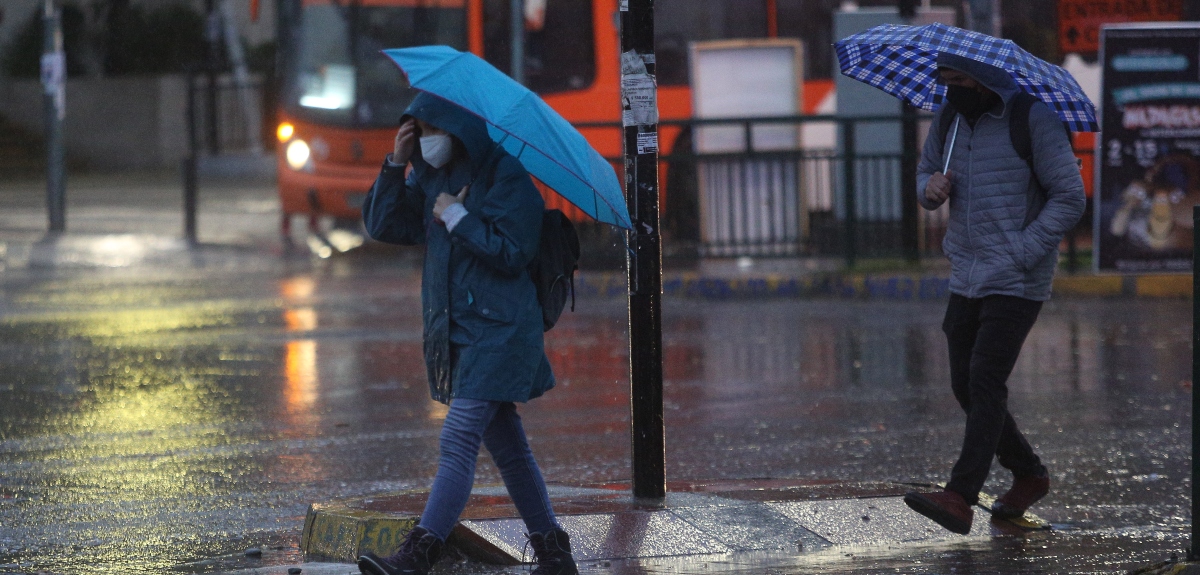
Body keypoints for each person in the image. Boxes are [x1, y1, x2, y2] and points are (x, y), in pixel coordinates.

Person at [356, 92, 578, 575]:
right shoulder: (434, 176)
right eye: (417, 132)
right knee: (509, 451)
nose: (426, 142)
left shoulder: (507, 177)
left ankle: (419, 554)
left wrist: (458, 218)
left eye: (431, 131)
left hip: (501, 333)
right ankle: (555, 554)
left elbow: (514, 251)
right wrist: (396, 164)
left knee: (457, 440)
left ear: (456, 129)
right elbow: (383, 224)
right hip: (461, 335)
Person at [903, 53, 1085, 535]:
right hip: (967, 270)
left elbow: (1070, 196)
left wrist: (1024, 250)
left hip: (1017, 276)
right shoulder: (950, 118)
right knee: (964, 383)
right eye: (944, 80)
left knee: (985, 378)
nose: (950, 88)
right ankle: (1028, 473)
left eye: (958, 79)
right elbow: (923, 174)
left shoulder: (1033, 119)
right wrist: (931, 189)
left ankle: (960, 495)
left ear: (983, 79)